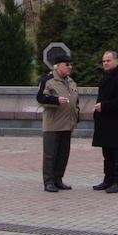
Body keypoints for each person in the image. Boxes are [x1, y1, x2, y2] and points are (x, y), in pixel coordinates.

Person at [36, 52, 79, 192]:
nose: (70, 67)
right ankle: (48, 181)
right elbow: (40, 99)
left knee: (63, 154)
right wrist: (56, 101)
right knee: (50, 155)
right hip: (53, 125)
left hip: (67, 124)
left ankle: (58, 179)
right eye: (67, 65)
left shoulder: (71, 82)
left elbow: (76, 101)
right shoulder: (48, 81)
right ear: (58, 65)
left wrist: (77, 114)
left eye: (71, 65)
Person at [92, 50, 118, 193]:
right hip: (104, 122)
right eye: (104, 61)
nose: (106, 63)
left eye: (108, 60)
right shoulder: (104, 79)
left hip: (116, 123)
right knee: (106, 152)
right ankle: (108, 179)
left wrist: (104, 106)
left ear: (117, 61)